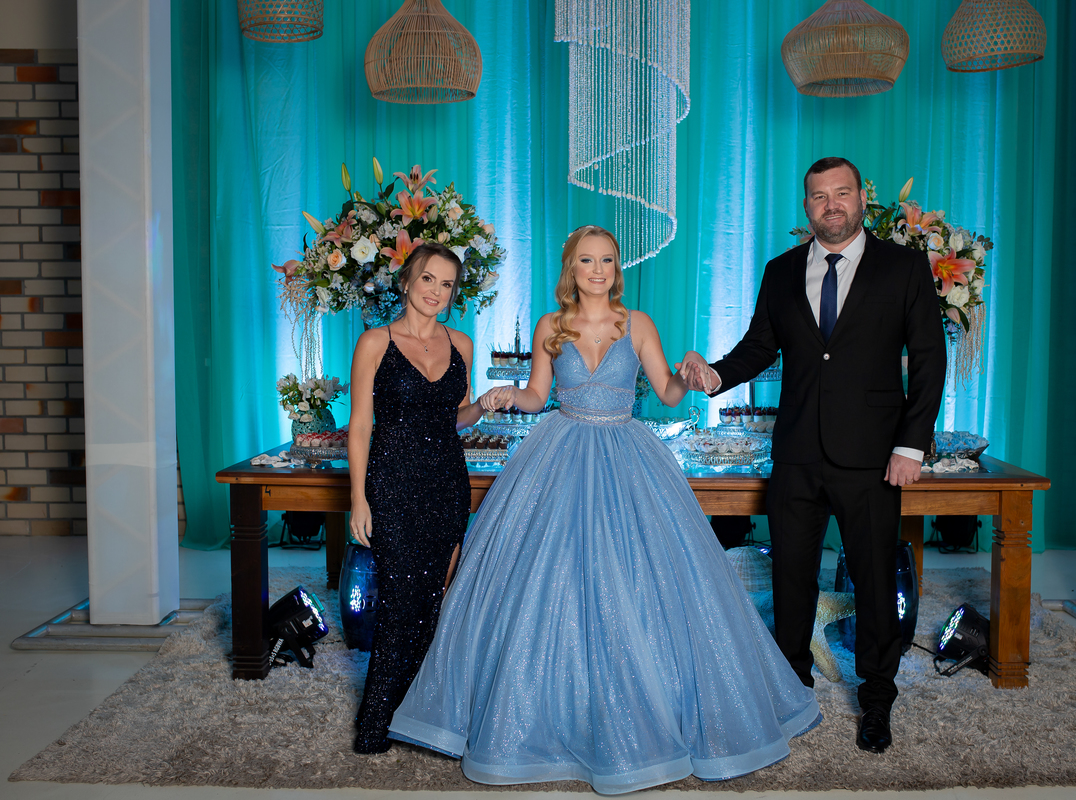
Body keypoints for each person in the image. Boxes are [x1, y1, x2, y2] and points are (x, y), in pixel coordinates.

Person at [387, 225, 821, 793]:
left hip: (626, 452)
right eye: (587, 261)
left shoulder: (637, 324)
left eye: (607, 261)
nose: (598, 270)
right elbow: (537, 397)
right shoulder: (550, 326)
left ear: (618, 268)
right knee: (547, 579)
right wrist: (508, 394)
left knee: (641, 577)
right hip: (560, 451)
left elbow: (666, 392)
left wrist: (690, 373)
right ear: (572, 268)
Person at [678, 157, 946, 754]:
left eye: (841, 193)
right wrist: (714, 375)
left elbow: (930, 359)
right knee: (791, 578)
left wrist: (910, 445)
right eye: (819, 196)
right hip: (797, 452)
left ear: (860, 199)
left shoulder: (903, 267)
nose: (832, 205)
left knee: (873, 579)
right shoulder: (780, 271)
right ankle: (790, 688)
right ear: (807, 206)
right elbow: (759, 347)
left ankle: (877, 698)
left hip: (874, 455)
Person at [347, 242, 510, 754]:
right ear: (406, 282)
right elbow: (359, 428)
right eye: (427, 279)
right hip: (392, 483)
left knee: (434, 602)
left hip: (446, 483)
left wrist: (481, 405)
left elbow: (454, 417)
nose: (436, 291)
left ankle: (417, 718)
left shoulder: (461, 343)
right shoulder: (375, 342)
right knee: (400, 602)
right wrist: (358, 499)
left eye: (446, 284)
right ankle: (375, 722)